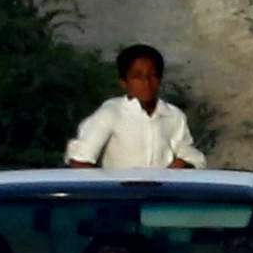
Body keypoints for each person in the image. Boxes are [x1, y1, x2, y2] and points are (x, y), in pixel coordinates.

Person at [63, 44, 207, 170]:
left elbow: (194, 159)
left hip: (161, 196)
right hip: (121, 197)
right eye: (137, 77)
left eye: (152, 75)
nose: (146, 83)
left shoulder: (173, 116)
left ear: (160, 79)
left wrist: (183, 164)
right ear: (124, 82)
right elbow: (80, 160)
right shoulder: (111, 113)